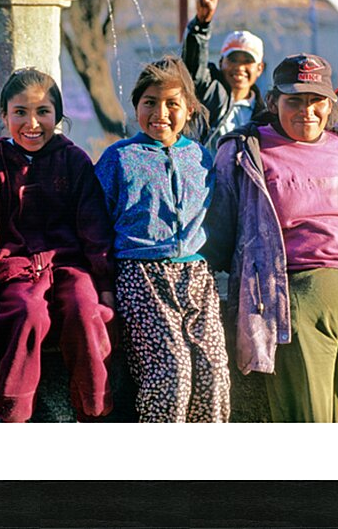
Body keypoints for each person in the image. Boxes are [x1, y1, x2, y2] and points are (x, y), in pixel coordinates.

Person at [205, 53, 338, 422]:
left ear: (330, 105)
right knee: (308, 418)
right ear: (272, 102)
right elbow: (219, 231)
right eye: (294, 101)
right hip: (298, 297)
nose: (308, 111)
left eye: (317, 101)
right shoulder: (245, 150)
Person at [0, 68, 116, 423]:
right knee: (28, 313)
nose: (31, 123)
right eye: (20, 112)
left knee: (83, 307)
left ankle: (92, 408)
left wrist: (106, 285)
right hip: (17, 269)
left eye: (42, 112)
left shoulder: (74, 160)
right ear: (4, 115)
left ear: (58, 116)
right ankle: (15, 412)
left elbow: (93, 227)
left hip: (69, 265)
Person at [95, 56, 230, 422]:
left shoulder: (200, 158)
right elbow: (94, 227)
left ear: (189, 108)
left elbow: (217, 218)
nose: (161, 113)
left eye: (173, 103)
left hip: (196, 279)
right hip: (142, 278)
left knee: (214, 373)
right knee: (171, 374)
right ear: (136, 106)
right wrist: (103, 283)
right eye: (150, 103)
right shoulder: (118, 159)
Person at [181, 0, 267, 151]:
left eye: (247, 61)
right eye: (233, 59)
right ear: (221, 63)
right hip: (207, 178)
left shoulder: (266, 114)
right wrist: (201, 25)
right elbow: (193, 68)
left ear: (260, 68)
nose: (239, 67)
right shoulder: (209, 93)